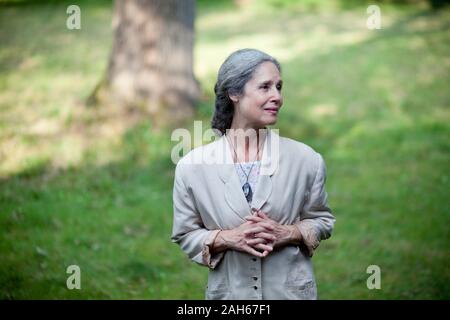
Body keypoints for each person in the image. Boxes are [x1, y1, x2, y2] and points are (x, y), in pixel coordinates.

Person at [171, 48, 335, 300]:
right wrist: (228, 238)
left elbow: (322, 220)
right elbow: (185, 233)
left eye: (279, 87)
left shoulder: (306, 160)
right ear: (234, 92)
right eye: (265, 87)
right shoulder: (191, 167)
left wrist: (288, 233)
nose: (277, 97)